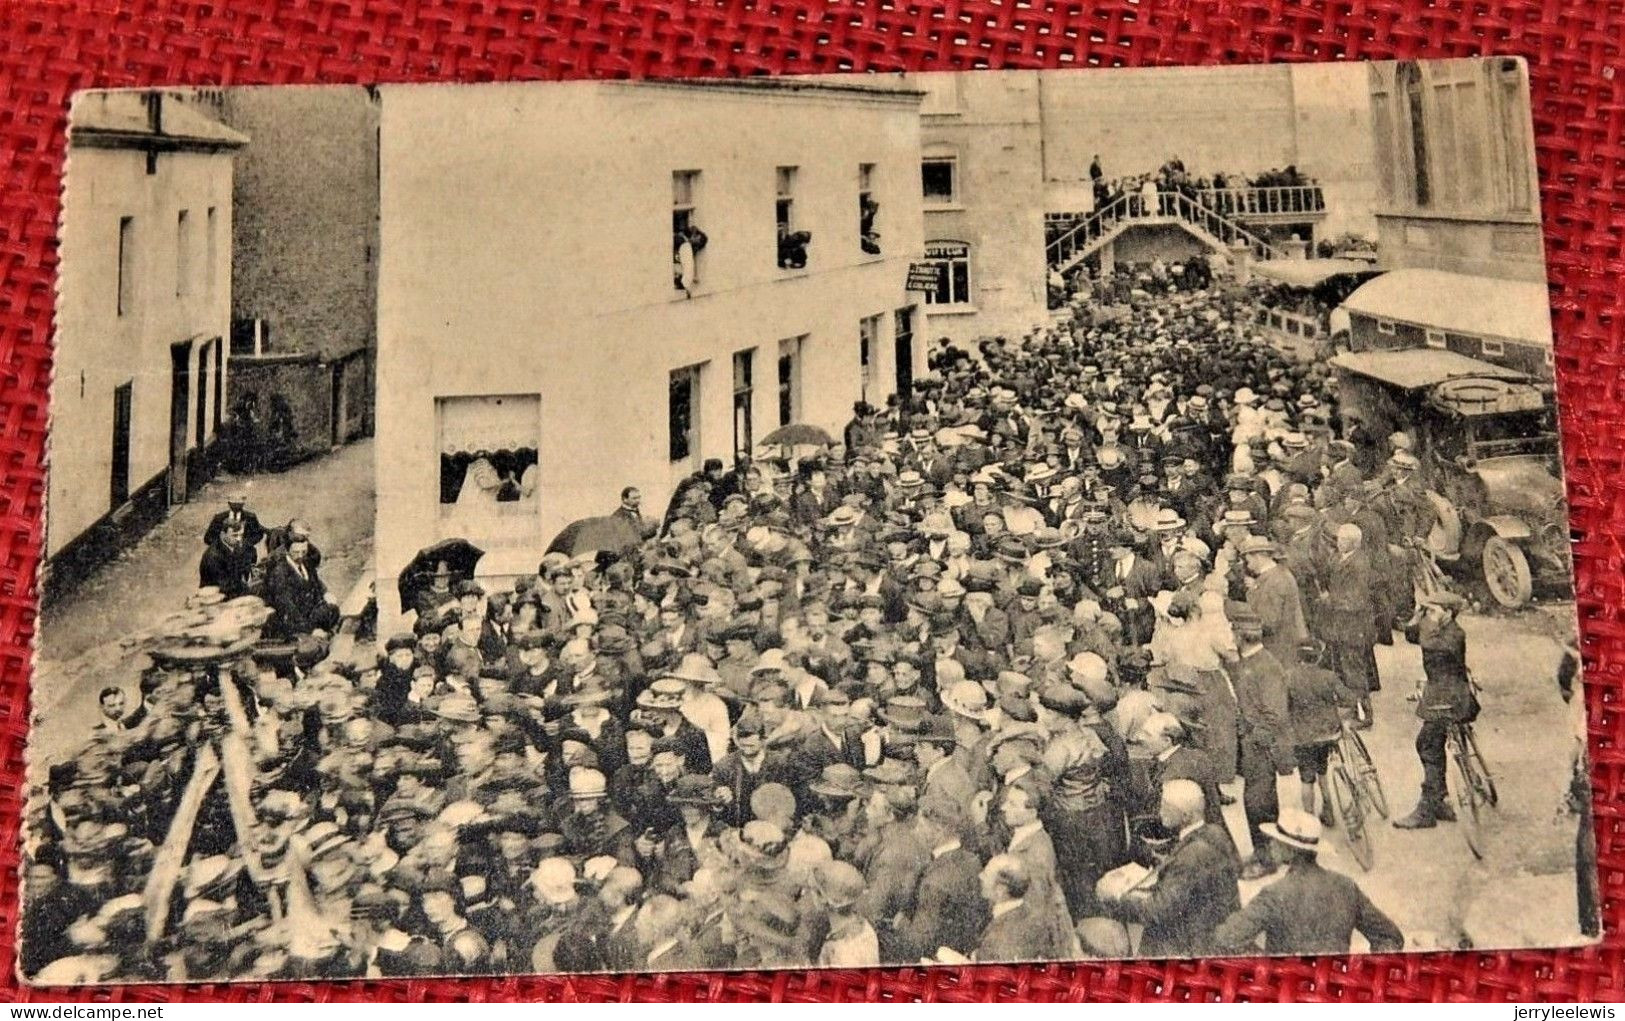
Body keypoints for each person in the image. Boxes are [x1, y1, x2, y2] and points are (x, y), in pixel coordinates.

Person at [1213, 809, 1404, 954]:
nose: (1270, 844)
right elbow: (1390, 937)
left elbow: (1225, 937)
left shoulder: (1274, 894)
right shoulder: (1346, 886)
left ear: (1289, 850)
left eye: (1275, 841)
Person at [1104, 779, 1240, 957]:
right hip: (1214, 924)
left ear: (1185, 816)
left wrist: (1116, 897)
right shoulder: (1215, 831)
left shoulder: (1191, 857)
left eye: (1165, 806)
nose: (1159, 811)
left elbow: (1156, 911)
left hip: (1190, 942)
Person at [1393, 591, 1479, 829]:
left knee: (1428, 744)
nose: (1428, 616)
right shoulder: (1438, 627)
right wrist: (1419, 613)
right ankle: (1439, 798)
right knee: (1430, 744)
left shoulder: (1454, 634)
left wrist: (1425, 621)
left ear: (1448, 613)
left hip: (1451, 699)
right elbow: (1411, 635)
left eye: (1433, 611)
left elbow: (1428, 643)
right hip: (1441, 694)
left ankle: (1428, 809)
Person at [199, 519, 256, 598]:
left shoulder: (233, 546)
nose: (239, 539)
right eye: (235, 535)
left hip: (231, 590)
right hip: (214, 597)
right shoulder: (213, 556)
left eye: (241, 535)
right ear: (223, 535)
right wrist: (248, 589)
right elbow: (225, 585)